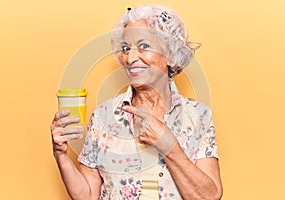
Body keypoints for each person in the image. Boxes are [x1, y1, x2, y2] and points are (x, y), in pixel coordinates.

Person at [51, 4, 223, 200]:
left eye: (144, 46)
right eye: (125, 48)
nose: (130, 58)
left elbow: (208, 197)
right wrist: (61, 155)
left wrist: (169, 146)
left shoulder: (198, 116)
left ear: (171, 55)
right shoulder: (103, 115)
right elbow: (87, 195)